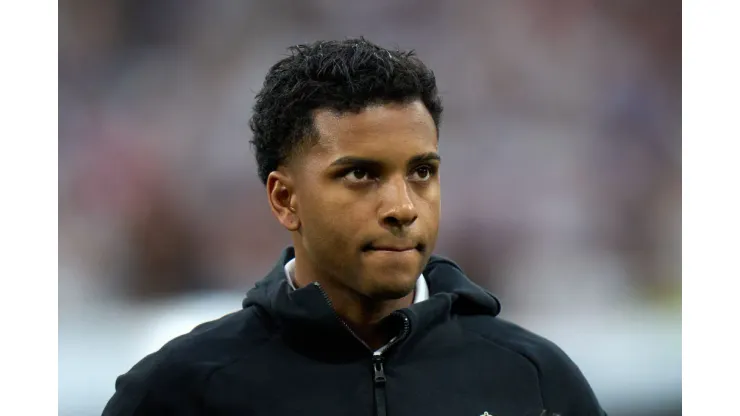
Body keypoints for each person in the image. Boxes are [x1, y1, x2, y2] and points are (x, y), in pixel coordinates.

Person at [102, 38, 606, 416]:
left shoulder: (535, 380)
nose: (403, 207)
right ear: (285, 198)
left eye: (422, 172)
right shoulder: (181, 392)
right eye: (361, 174)